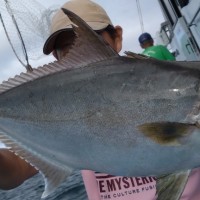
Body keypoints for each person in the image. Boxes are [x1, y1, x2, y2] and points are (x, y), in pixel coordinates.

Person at [0, 0, 200, 199]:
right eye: (68, 51)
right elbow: (15, 172)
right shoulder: (48, 108)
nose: (82, 56)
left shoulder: (174, 79)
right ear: (56, 56)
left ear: (118, 37)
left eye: (93, 41)